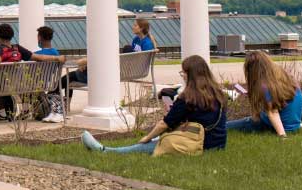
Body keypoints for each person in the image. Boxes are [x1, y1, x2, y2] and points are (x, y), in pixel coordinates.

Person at [82, 54, 227, 154]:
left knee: (154, 143)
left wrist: (147, 137)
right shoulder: (218, 93)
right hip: (218, 144)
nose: (182, 75)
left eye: (183, 72)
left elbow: (164, 124)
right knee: (162, 138)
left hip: (199, 144)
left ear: (191, 75)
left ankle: (106, 151)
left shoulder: (188, 98)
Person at [64, 17, 155, 101]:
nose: (133, 27)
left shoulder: (147, 43)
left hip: (131, 70)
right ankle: (59, 95)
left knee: (72, 76)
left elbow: (141, 59)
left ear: (141, 28)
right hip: (125, 68)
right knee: (72, 75)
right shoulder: (136, 39)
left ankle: (57, 94)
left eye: (135, 25)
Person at [227, 50, 302, 137]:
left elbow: (272, 112)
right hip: (294, 125)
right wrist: (298, 123)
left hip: (279, 126)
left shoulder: (265, 86)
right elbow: (297, 99)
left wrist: (282, 136)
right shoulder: (284, 76)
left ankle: (215, 127)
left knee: (238, 124)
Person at [35, 25, 66, 123]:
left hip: (34, 85)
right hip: (48, 82)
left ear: (39, 37)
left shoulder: (35, 54)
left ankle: (26, 110)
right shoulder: (56, 53)